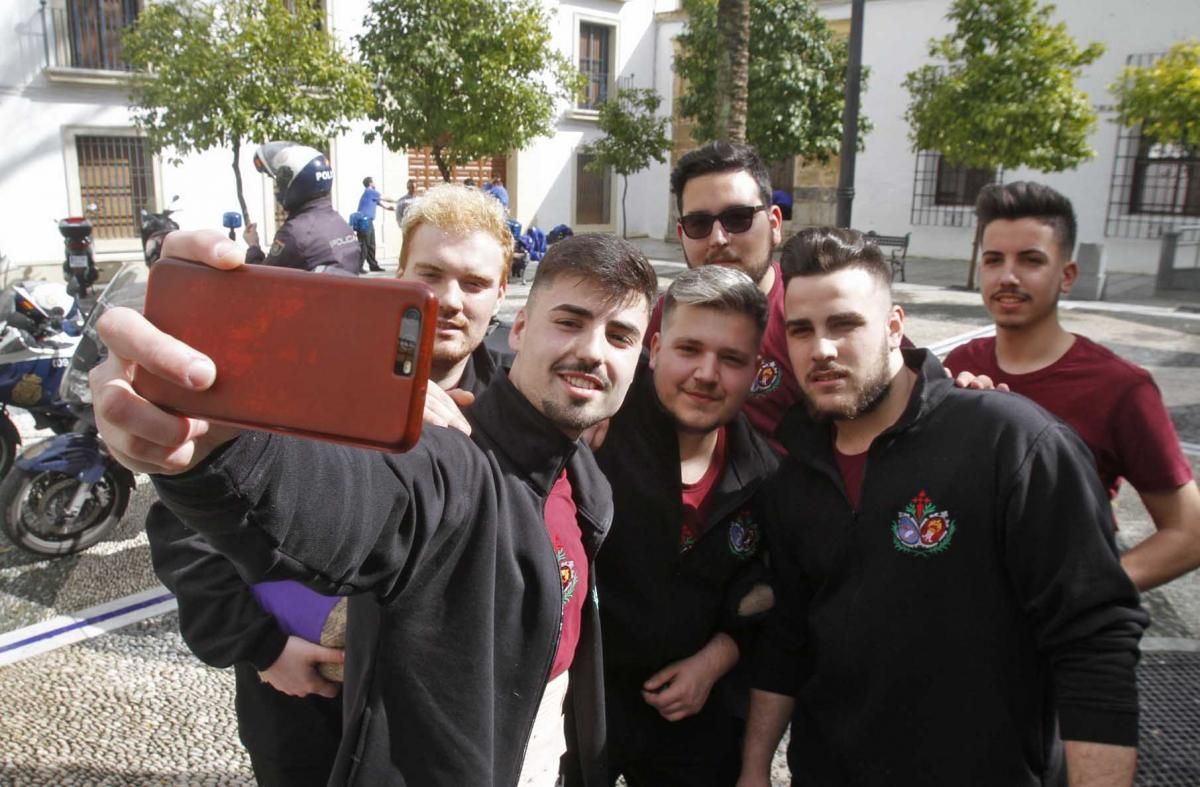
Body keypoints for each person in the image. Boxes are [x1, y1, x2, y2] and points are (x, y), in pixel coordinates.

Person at [90, 233, 659, 787]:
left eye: (620, 335)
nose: (591, 348)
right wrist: (219, 451)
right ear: (523, 326)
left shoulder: (588, 486)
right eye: (570, 321)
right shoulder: (451, 463)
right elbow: (352, 502)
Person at [737, 228, 1147, 787]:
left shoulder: (1011, 443)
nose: (822, 349)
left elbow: (1094, 637)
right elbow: (788, 638)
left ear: (894, 327)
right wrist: (754, 769)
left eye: (845, 324)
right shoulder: (791, 474)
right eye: (801, 330)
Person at [144, 184, 514, 786]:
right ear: (400, 275)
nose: (450, 299)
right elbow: (186, 529)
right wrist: (261, 648)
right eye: (431, 273)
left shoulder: (514, 408)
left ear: (500, 292)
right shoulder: (310, 375)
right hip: (300, 710)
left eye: (473, 283)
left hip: (426, 721)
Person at [944, 181, 1200, 591]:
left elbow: (1189, 533)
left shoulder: (1121, 387)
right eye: (993, 260)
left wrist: (1087, 590)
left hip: (1059, 638)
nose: (1007, 276)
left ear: (1067, 276)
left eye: (1030, 260)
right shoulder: (961, 365)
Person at [595, 266, 778, 786]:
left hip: (698, 723)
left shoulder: (765, 476)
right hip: (584, 710)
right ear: (655, 347)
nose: (706, 373)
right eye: (689, 349)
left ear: (756, 370)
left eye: (731, 360)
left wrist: (717, 658)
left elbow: (771, 593)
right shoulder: (597, 428)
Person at [655, 141, 798, 446]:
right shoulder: (662, 316)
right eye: (698, 223)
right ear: (682, 234)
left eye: (738, 218)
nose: (718, 238)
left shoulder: (811, 314)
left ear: (774, 224)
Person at [243, 141, 360, 275]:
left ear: (295, 183)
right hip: (341, 295)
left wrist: (253, 246)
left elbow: (260, 279)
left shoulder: (294, 233)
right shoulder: (339, 223)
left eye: (280, 182)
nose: (278, 188)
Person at [355, 176, 395, 272]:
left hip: (368, 221)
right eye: (373, 182)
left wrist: (387, 208)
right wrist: (397, 201)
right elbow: (383, 198)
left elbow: (378, 202)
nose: (375, 183)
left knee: (371, 244)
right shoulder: (370, 192)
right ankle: (358, 267)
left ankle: (373, 265)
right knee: (364, 244)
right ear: (370, 183)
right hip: (364, 221)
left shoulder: (369, 194)